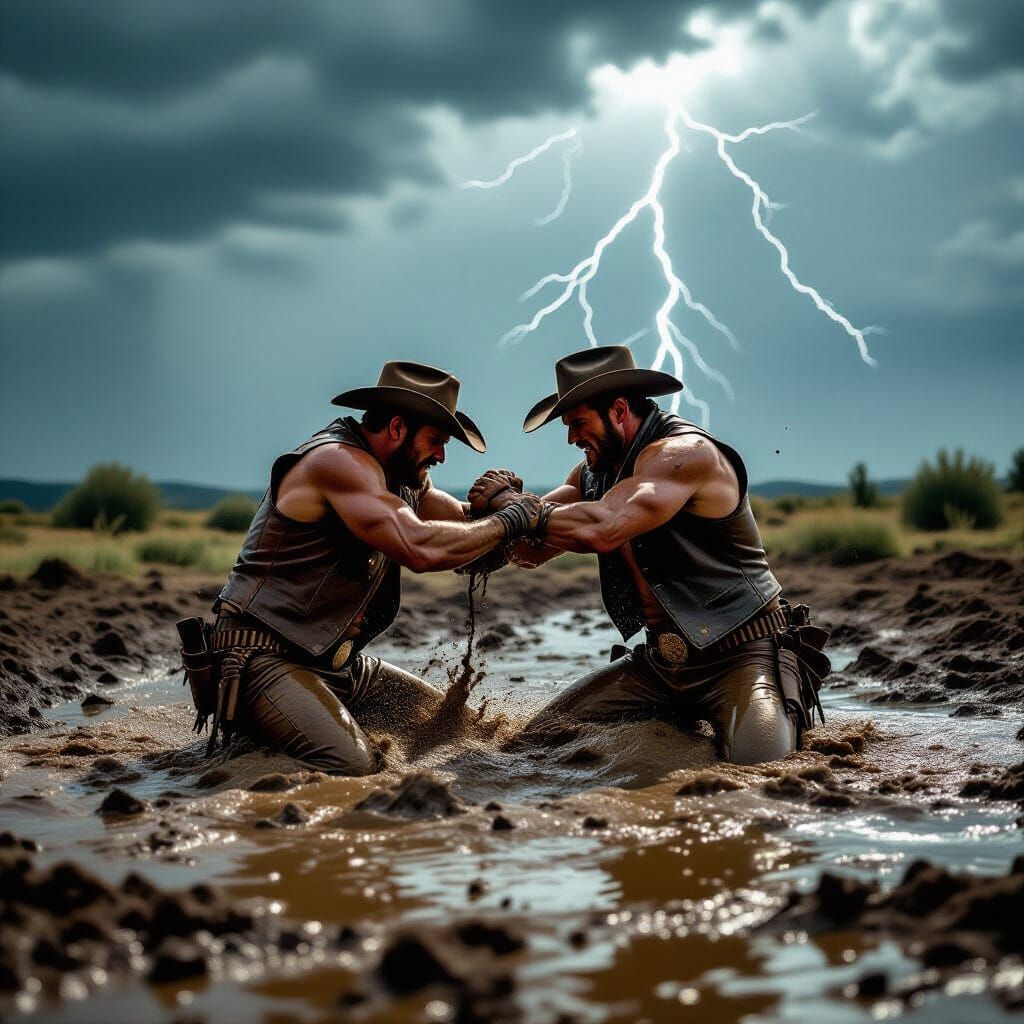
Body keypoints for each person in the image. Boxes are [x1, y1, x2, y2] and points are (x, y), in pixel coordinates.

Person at [469, 346, 828, 765]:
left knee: (761, 771)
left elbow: (605, 526)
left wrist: (516, 508)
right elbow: (531, 548)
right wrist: (493, 514)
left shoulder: (684, 454)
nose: (571, 438)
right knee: (528, 748)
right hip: (659, 666)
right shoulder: (590, 475)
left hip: (741, 658)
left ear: (619, 410)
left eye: (579, 423)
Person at [201, 360, 541, 775]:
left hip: (337, 666)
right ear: (397, 428)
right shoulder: (337, 461)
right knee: (352, 765)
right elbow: (419, 547)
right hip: (262, 659)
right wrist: (509, 520)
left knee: (459, 729)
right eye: (436, 441)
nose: (441, 455)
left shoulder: (402, 480)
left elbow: (463, 526)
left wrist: (502, 504)